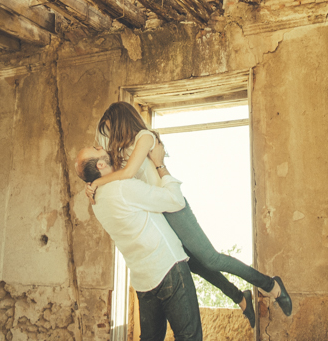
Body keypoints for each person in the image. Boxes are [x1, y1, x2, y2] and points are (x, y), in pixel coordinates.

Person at [88, 101, 292, 326]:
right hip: (159, 212)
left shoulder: (144, 138)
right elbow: (119, 179)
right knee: (193, 264)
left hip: (175, 208)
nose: (109, 135)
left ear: (121, 121)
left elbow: (126, 174)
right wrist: (94, 185)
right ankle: (240, 297)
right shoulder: (123, 152)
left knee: (211, 259)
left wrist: (96, 182)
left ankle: (271, 285)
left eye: (110, 128)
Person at [75, 140, 202, 341]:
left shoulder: (98, 200)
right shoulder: (121, 188)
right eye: (94, 150)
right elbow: (174, 201)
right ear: (102, 166)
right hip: (168, 267)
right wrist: (160, 165)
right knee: (189, 340)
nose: (96, 144)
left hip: (144, 280)